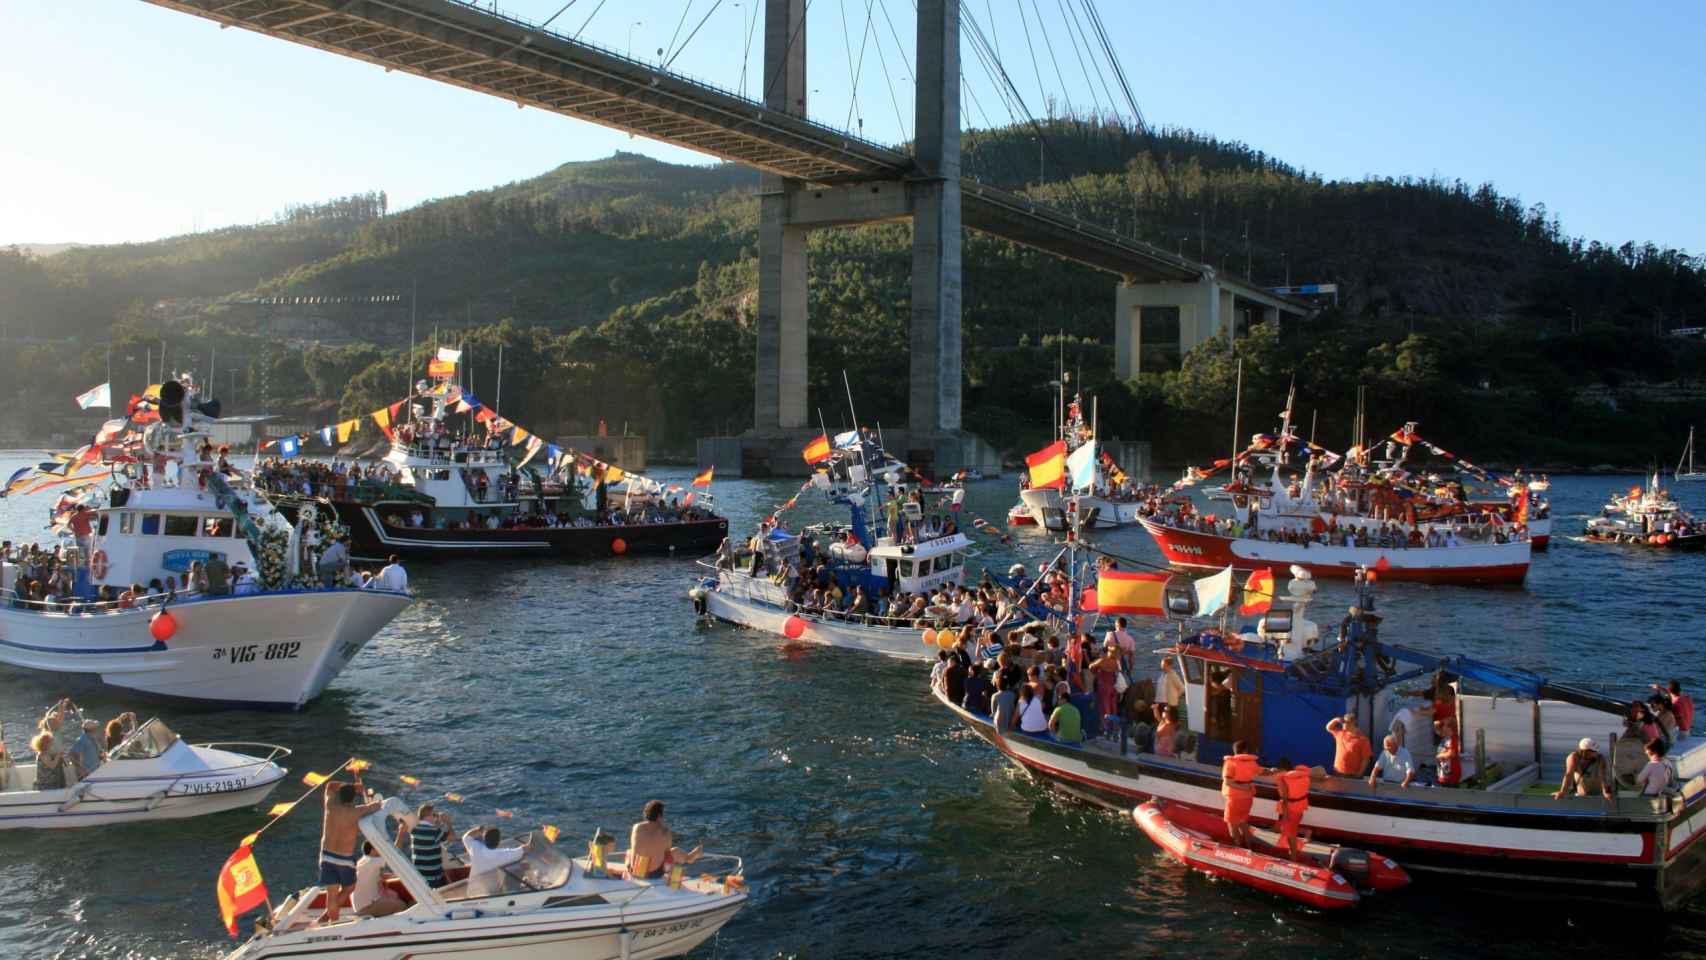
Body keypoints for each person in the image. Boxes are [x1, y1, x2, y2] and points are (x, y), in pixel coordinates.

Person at [317, 775, 382, 924]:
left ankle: (331, 920)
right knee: (350, 887)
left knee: (331, 893)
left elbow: (330, 785)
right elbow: (377, 805)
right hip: (344, 858)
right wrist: (362, 790)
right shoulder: (357, 812)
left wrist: (352, 785)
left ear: (339, 795)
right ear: (353, 798)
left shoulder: (331, 805)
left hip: (326, 855)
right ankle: (328, 918)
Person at [627, 800, 702, 880]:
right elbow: (667, 854)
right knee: (674, 852)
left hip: (635, 871)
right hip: (653, 874)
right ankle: (689, 858)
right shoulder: (665, 831)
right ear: (659, 816)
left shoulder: (637, 827)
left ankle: (630, 873)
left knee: (629, 851)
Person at [461, 825, 527, 897]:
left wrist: (479, 829)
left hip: (473, 892)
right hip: (493, 895)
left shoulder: (475, 847)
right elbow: (525, 848)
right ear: (498, 841)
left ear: (484, 839)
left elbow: (466, 837)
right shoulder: (502, 855)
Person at [397, 804, 453, 888]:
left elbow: (429, 835)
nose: (435, 817)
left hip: (420, 876)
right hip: (434, 878)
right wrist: (448, 823)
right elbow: (452, 837)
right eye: (434, 815)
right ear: (429, 817)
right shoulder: (435, 832)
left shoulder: (415, 830)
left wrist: (436, 823)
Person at [1220, 740, 1262, 848]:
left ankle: (1239, 850)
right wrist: (1273, 771)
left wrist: (1242, 787)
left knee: (1232, 827)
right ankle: (1249, 847)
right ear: (1245, 750)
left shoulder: (1230, 763)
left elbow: (1228, 782)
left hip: (1235, 800)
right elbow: (1263, 772)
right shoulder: (1251, 763)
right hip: (1247, 799)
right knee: (1243, 823)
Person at [351, 842, 407, 917]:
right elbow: (394, 855)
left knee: (392, 902)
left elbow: (372, 878)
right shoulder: (372, 861)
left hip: (362, 905)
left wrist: (386, 876)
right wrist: (401, 834)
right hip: (368, 906)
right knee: (401, 905)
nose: (381, 850)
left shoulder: (363, 861)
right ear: (373, 850)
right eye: (379, 847)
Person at [1274, 762, 1312, 861]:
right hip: (1300, 806)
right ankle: (1306, 832)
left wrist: (1285, 815)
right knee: (1287, 829)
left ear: (1282, 770)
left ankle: (1293, 858)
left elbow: (1285, 800)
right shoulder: (1302, 777)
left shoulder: (1283, 780)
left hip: (1290, 809)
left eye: (1279, 770)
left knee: (1290, 834)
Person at [1325, 713, 1372, 777]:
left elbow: (1366, 759)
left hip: (1352, 774)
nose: (1343, 724)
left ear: (1353, 722)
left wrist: (1360, 773)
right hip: (1337, 772)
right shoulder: (1340, 733)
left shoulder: (1363, 739)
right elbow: (1328, 728)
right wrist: (1336, 720)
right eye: (1343, 722)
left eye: (1346, 722)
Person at [1435, 717, 1464, 787]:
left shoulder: (1453, 738)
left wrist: (1439, 756)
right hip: (1443, 774)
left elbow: (1451, 753)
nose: (1443, 727)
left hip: (1451, 776)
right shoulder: (1446, 738)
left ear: (1449, 727)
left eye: (1444, 725)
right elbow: (1436, 726)